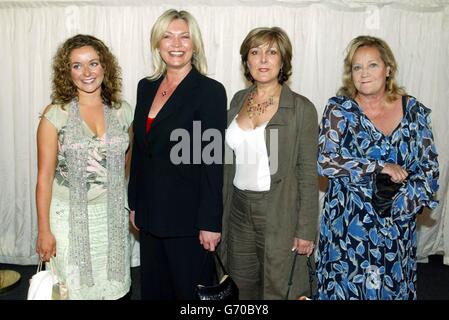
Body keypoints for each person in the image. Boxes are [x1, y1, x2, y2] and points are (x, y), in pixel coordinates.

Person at [316, 35, 439, 300]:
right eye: (357, 67)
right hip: (347, 228)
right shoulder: (340, 109)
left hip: (395, 230)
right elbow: (325, 161)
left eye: (372, 65)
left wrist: (398, 208)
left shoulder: (413, 111)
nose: (363, 73)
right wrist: (379, 166)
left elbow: (429, 170)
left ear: (388, 69)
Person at [127, 9, 227, 300]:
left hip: (188, 220)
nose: (176, 44)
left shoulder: (209, 91)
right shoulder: (145, 87)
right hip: (149, 214)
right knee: (154, 290)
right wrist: (135, 202)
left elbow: (212, 160)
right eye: (168, 36)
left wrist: (210, 221)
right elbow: (141, 151)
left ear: (195, 44)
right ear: (157, 44)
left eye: (185, 37)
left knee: (188, 295)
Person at [220, 27, 319, 300]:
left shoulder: (301, 109)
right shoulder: (238, 100)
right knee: (240, 287)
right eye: (255, 52)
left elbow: (308, 175)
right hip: (238, 209)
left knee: (278, 288)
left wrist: (306, 231)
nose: (263, 59)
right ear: (246, 61)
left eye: (271, 52)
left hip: (279, 210)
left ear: (283, 61)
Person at [35, 34, 133, 299]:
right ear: (67, 73)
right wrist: (44, 230)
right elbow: (44, 178)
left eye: (93, 63)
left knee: (115, 290)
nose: (86, 72)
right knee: (72, 291)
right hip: (68, 220)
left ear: (105, 67)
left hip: (112, 219)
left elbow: (127, 162)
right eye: (77, 65)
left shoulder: (123, 111)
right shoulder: (55, 114)